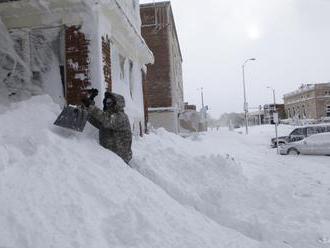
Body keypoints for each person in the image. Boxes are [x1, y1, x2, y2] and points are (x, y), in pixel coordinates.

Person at [82, 90, 133, 164]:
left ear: (117, 103)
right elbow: (95, 119)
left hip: (120, 159)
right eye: (106, 102)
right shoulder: (108, 117)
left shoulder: (121, 117)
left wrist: (91, 107)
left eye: (110, 102)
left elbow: (107, 119)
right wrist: (88, 105)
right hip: (109, 159)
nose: (108, 104)